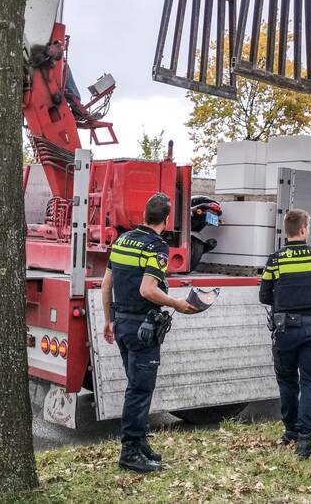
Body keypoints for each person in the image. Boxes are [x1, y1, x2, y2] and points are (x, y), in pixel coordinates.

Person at [101, 192, 197, 473]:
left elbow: (106, 285)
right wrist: (177, 303)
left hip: (122, 324)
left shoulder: (121, 241)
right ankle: (130, 451)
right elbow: (147, 290)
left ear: (144, 215)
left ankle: (141, 442)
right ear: (166, 220)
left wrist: (108, 320)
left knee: (136, 386)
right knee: (140, 390)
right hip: (142, 328)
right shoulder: (156, 247)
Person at [259, 208, 311, 460]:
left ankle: (290, 431)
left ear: (287, 231)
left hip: (285, 330)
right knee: (310, 384)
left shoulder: (275, 260)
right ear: (303, 230)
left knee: (287, 381)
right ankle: (305, 442)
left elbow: (264, 296)